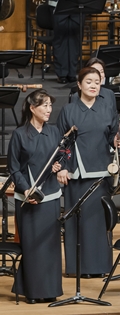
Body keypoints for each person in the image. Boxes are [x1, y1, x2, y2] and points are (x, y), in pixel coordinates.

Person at [56, 67, 120, 277]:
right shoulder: (69, 111)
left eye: (97, 81)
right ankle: (77, 268)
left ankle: (100, 267)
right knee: (77, 221)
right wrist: (63, 168)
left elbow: (113, 136)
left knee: (98, 222)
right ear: (79, 85)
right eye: (89, 82)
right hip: (76, 173)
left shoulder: (107, 109)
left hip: (101, 172)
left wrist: (117, 141)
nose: (94, 85)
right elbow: (61, 143)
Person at [7, 89, 64, 303]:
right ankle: (32, 291)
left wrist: (60, 165)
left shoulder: (55, 131)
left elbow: (62, 155)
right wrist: (25, 190)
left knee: (50, 246)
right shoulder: (20, 134)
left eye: (50, 105)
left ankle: (50, 290)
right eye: (45, 105)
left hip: (50, 196)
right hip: (28, 197)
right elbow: (14, 168)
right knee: (32, 246)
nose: (49, 109)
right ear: (32, 108)